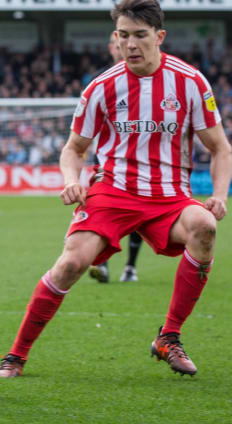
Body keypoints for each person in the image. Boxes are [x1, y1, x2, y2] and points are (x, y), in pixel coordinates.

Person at [0, 0, 232, 379]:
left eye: (139, 35)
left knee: (205, 226)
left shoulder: (189, 82)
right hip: (113, 192)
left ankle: (169, 337)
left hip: (169, 197)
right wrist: (71, 180)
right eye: (123, 36)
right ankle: (16, 356)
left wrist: (219, 195)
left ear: (160, 36)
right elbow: (74, 149)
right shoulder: (101, 87)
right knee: (71, 263)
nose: (130, 45)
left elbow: (220, 148)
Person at [89, 30, 145, 284]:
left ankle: (130, 267)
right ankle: (102, 263)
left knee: (136, 215)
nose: (118, 47)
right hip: (106, 156)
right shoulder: (101, 80)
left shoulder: (147, 79)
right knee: (101, 208)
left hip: (139, 157)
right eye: (114, 44)